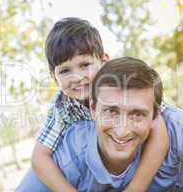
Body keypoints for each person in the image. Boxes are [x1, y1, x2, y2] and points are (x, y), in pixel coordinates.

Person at [16, 57, 183, 192]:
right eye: (111, 111)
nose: (121, 131)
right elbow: (40, 159)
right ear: (92, 108)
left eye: (137, 114)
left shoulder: (175, 126)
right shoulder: (69, 152)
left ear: (155, 116)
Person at [31, 17, 169, 192]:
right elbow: (39, 156)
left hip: (138, 166)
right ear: (53, 76)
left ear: (104, 61)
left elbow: (160, 136)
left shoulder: (125, 82)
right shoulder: (63, 106)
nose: (77, 77)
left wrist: (136, 188)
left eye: (85, 65)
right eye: (65, 71)